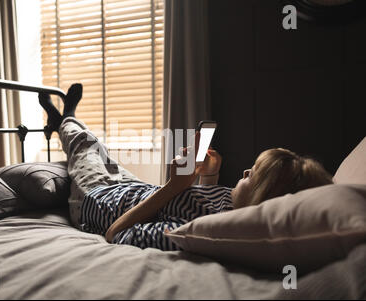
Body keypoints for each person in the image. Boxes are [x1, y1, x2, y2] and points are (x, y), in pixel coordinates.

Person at [39, 85, 334, 251]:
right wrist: (208, 175)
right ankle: (60, 120)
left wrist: (173, 187)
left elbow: (117, 234)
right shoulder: (231, 204)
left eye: (253, 174)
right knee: (102, 152)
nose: (244, 173)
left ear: (263, 201)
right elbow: (198, 202)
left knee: (85, 145)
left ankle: (66, 117)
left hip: (96, 201)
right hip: (133, 190)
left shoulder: (201, 233)